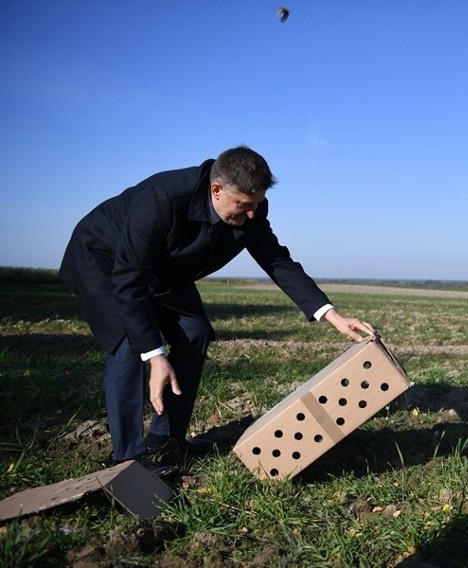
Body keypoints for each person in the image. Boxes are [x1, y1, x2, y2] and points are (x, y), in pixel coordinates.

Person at [59, 145, 374, 477]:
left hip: (163, 267)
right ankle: (127, 460)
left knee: (195, 332)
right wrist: (154, 354)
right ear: (216, 190)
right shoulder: (161, 200)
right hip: (106, 260)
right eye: (244, 205)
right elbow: (129, 278)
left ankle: (166, 441)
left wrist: (331, 315)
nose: (252, 213)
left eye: (257, 204)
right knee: (127, 343)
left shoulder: (252, 208)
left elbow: (276, 260)